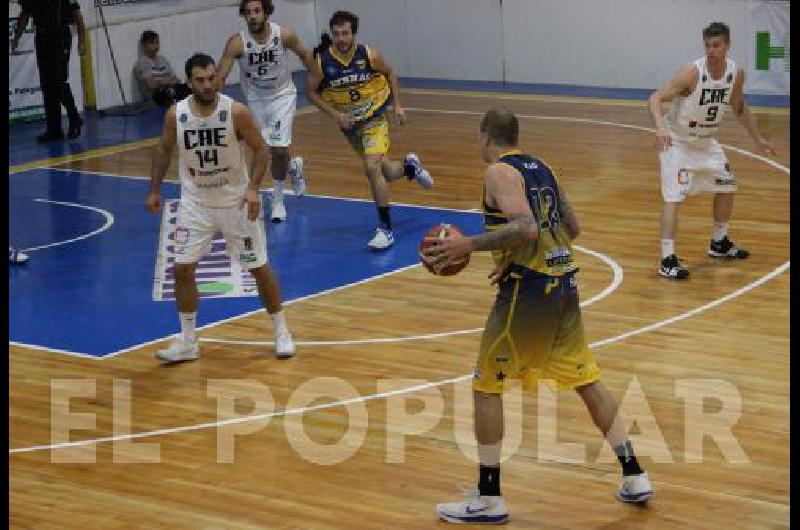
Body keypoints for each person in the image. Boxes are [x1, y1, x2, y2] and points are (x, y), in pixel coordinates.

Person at [424, 109, 653, 524]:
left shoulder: (498, 172)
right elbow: (572, 227)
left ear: (484, 136)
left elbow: (527, 228)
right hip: (564, 283)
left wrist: (469, 246)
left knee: (486, 385)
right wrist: (515, 254)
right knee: (586, 378)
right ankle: (634, 474)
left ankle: (490, 497)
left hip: (529, 291)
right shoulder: (542, 166)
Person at [146, 53, 294, 362]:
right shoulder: (176, 115)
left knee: (258, 268)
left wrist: (253, 188)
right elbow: (163, 150)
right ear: (189, 83)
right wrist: (155, 189)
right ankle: (188, 341)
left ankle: (281, 330)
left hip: (235, 203)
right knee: (182, 268)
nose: (207, 84)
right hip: (195, 204)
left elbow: (261, 150)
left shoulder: (235, 112)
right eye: (200, 80)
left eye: (212, 78)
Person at [648, 22, 776, 280]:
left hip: (706, 143)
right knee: (674, 197)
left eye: (716, 45)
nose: (711, 50)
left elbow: (739, 107)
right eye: (707, 45)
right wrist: (660, 128)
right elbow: (655, 98)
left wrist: (758, 138)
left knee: (728, 186)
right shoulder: (691, 73)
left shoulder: (735, 73)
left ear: (727, 46)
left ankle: (719, 243)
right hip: (679, 142)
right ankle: (667, 259)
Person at [306, 10, 433, 250]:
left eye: (345, 33)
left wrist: (397, 106)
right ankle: (410, 168)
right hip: (350, 125)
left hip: (375, 117)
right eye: (336, 34)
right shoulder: (322, 62)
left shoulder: (369, 54)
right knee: (387, 172)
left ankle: (385, 229)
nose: (341, 39)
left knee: (371, 167)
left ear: (354, 33)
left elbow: (391, 73)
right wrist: (336, 116)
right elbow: (310, 92)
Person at [216, 0, 314, 222]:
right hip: (256, 98)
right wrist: (215, 94)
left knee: (278, 149)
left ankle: (277, 198)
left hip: (282, 95)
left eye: (257, 11)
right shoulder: (237, 43)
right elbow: (222, 72)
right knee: (270, 149)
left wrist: (318, 77)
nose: (253, 16)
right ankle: (294, 167)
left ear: (266, 12)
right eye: (248, 12)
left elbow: (305, 54)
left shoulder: (283, 35)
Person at [11, 0, 86, 142]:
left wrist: (81, 41)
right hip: (42, 37)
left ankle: (74, 118)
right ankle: (54, 129)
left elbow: (77, 14)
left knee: (58, 81)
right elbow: (25, 14)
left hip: (60, 36)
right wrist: (17, 37)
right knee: (47, 85)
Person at [134, 30, 191, 108]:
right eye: (152, 43)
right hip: (156, 96)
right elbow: (150, 85)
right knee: (165, 94)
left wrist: (168, 82)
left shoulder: (163, 59)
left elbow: (176, 79)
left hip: (170, 90)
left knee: (190, 86)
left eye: (157, 42)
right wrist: (166, 82)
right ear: (144, 45)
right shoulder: (142, 63)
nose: (156, 46)